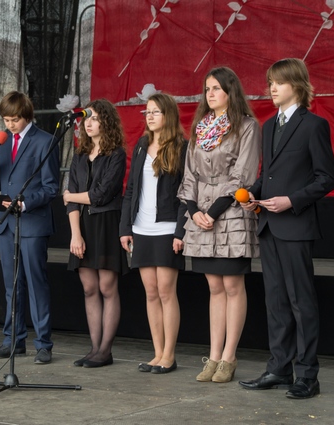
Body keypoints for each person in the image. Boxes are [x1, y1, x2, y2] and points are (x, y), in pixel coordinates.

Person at [237, 58, 334, 399]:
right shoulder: (268, 126)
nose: (272, 88)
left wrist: (292, 200)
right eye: (270, 82)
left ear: (297, 84)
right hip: (269, 225)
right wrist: (254, 193)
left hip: (295, 226)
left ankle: (308, 375)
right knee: (276, 302)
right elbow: (268, 174)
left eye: (278, 82)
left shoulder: (314, 125)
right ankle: (279, 368)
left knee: (300, 302)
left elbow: (326, 178)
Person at [177, 67, 262, 383]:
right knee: (214, 286)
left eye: (216, 88)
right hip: (201, 213)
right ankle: (213, 356)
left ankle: (229, 357)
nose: (210, 94)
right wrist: (193, 210)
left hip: (231, 213)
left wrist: (214, 211)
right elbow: (189, 175)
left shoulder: (247, 126)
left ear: (230, 91)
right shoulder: (200, 127)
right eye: (207, 89)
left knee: (232, 285)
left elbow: (244, 174)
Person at [0, 91, 59, 364]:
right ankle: (12, 340)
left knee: (36, 284)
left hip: (32, 222)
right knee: (11, 286)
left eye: (15, 119)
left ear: (27, 115)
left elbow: (51, 187)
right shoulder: (2, 142)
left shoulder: (45, 141)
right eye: (6, 120)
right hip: (6, 224)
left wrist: (26, 204)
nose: (10, 125)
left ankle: (43, 344)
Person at [119, 93, 187, 374]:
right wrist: (125, 228)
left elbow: (186, 194)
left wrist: (180, 231)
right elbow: (130, 190)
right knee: (150, 292)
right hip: (141, 228)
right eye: (147, 111)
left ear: (168, 115)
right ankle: (157, 353)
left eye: (155, 111)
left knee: (166, 292)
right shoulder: (141, 145)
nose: (149, 116)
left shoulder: (181, 147)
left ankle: (169, 355)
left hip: (167, 228)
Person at [64, 99, 128, 368]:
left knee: (107, 287)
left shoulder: (116, 154)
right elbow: (71, 201)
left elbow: (100, 195)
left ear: (106, 122)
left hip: (106, 223)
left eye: (94, 118)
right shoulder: (79, 155)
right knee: (89, 288)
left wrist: (71, 196)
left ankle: (105, 350)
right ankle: (94, 348)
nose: (87, 123)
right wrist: (75, 235)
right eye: (85, 118)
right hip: (82, 226)